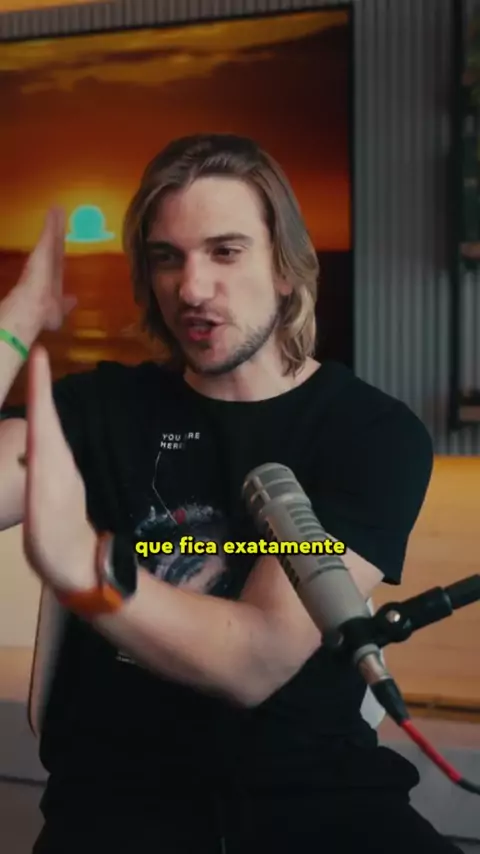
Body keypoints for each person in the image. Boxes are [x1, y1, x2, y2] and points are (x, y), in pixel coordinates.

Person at [0, 133, 461, 854]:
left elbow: (253, 661)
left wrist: (86, 570)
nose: (190, 288)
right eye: (167, 257)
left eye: (224, 251)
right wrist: (19, 320)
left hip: (316, 802)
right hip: (119, 812)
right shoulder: (100, 410)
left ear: (284, 268)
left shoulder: (368, 431)